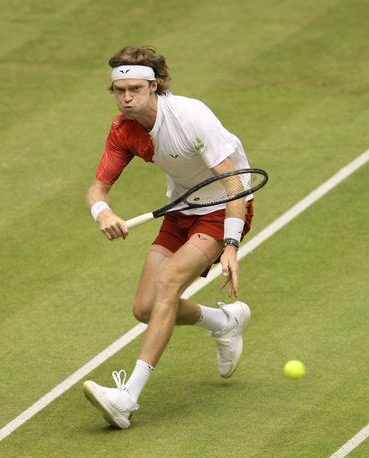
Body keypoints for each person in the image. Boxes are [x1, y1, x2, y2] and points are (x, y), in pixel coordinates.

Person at [83, 46, 255, 429]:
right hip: (181, 208)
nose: (126, 98)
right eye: (119, 90)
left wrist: (231, 244)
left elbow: (234, 182)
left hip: (223, 209)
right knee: (145, 308)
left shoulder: (191, 116)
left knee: (168, 284)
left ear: (154, 86)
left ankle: (128, 398)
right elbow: (97, 189)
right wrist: (104, 213)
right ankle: (223, 323)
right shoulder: (123, 131)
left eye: (135, 89)